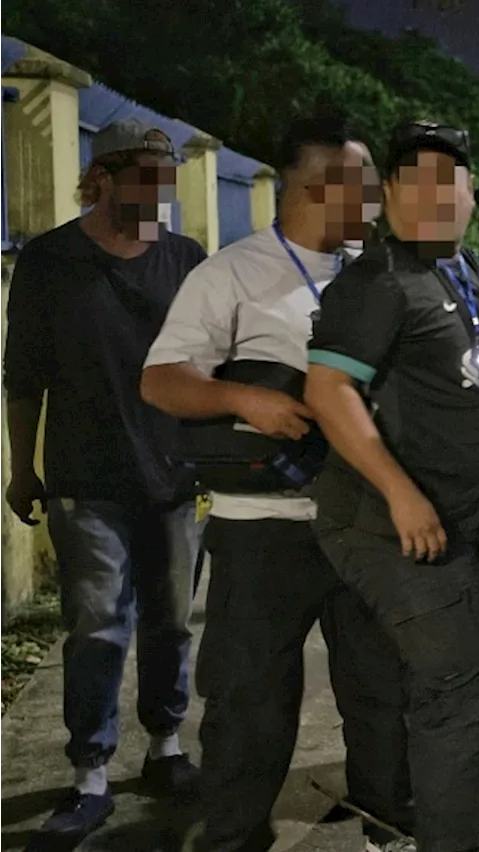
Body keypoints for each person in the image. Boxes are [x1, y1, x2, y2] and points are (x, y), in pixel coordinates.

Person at [140, 117, 415, 852]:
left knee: (384, 692)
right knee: (249, 701)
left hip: (365, 522)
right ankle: (234, 836)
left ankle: (390, 824)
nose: (376, 198)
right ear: (320, 188)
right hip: (262, 529)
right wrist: (243, 399)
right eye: (362, 182)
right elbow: (163, 380)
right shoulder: (230, 274)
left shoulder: (381, 273)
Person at [303, 120, 479, 852]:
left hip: (450, 526)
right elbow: (329, 390)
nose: (436, 196)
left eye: (449, 181)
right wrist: (400, 491)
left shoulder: (463, 270)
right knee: (470, 695)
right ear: (390, 194)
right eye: (415, 182)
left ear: (470, 192)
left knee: (428, 690)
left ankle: (411, 823)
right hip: (391, 525)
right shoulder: (377, 282)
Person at [2, 119, 207, 846]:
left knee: (172, 621)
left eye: (166, 175)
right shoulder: (51, 261)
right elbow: (22, 377)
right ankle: (90, 771)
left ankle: (165, 746)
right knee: (95, 627)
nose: (158, 190)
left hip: (176, 479)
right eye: (145, 175)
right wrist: (22, 467)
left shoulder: (186, 259)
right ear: (104, 178)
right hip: (86, 482)